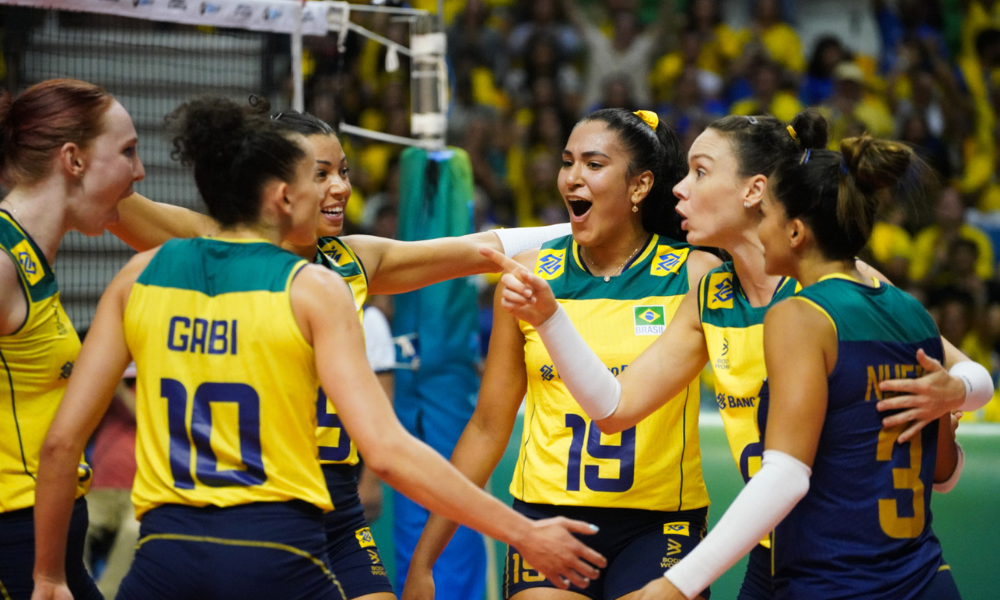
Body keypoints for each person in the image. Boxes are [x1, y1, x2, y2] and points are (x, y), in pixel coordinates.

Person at [30, 97, 605, 600]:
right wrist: (523, 532)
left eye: (344, 171)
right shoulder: (263, 271)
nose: (340, 188)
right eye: (321, 173)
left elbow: (478, 246)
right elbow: (388, 448)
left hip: (261, 518)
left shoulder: (331, 263)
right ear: (279, 192)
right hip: (278, 518)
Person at [482, 110, 992, 600]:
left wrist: (957, 391)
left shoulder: (830, 288)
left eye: (700, 173)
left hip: (853, 563)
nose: (678, 187)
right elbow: (613, 409)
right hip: (782, 559)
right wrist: (550, 317)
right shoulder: (713, 294)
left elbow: (949, 427)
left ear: (755, 191)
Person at [402, 108, 722, 600]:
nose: (573, 177)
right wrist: (426, 557)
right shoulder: (530, 276)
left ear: (639, 187)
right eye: (568, 161)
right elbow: (488, 425)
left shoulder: (695, 275)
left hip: (659, 523)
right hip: (547, 516)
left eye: (593, 165)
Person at [633, 139, 964, 599]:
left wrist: (675, 584)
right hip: (925, 577)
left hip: (834, 580)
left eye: (765, 216)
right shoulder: (911, 312)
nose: (758, 229)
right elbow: (945, 473)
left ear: (795, 232)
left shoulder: (799, 314)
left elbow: (787, 475)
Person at [0, 78, 145, 600]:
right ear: (73, 160)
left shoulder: (28, 256)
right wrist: (44, 572)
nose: (139, 171)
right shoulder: (0, 264)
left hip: (48, 542)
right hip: (16, 541)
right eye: (127, 152)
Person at [83, 362, 140, 599]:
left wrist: (120, 391)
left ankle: (106, 595)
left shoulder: (150, 390)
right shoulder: (105, 395)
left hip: (139, 492)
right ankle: (81, 591)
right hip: (99, 489)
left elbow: (148, 419)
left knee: (133, 532)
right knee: (71, 527)